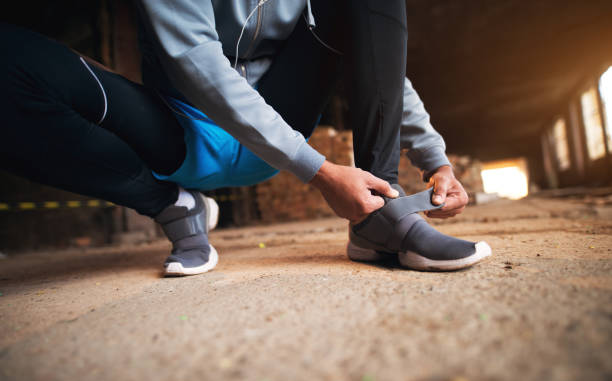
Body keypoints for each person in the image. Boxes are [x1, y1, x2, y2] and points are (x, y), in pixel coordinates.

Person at [0, 0, 491, 277]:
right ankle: (171, 205)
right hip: (176, 131)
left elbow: (378, 61)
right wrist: (318, 170)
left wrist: (435, 159)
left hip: (280, 119)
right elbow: (196, 59)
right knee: (10, 61)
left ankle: (378, 214)